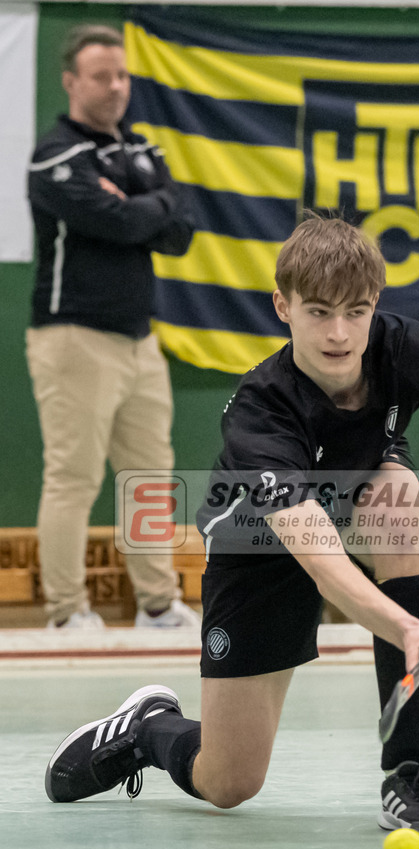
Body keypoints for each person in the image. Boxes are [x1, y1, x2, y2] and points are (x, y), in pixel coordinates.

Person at [45, 215, 419, 836]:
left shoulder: (408, 348)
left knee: (396, 497)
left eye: (356, 311)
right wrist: (412, 627)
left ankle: (409, 771)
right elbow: (321, 561)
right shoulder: (261, 410)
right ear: (282, 305)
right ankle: (148, 729)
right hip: (261, 545)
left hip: (361, 496)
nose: (339, 334)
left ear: (377, 304)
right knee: (230, 783)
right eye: (317, 312)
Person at [26, 24, 199, 630]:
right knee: (73, 476)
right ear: (71, 80)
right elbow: (126, 225)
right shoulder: (56, 155)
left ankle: (157, 603)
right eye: (102, 76)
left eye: (122, 75)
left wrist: (138, 206)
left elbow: (181, 229)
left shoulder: (143, 150)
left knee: (149, 475)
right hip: (72, 337)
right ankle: (65, 612)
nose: (115, 87)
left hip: (140, 340)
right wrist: (146, 208)